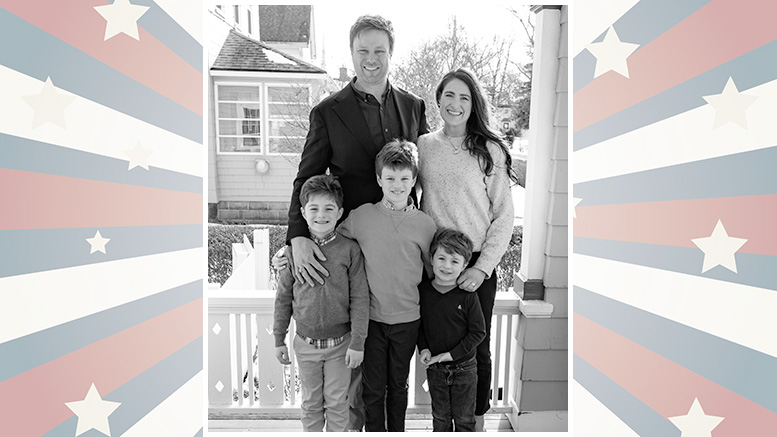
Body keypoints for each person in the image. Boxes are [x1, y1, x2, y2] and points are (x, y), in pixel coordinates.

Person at [285, 17, 428, 429]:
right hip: (350, 244)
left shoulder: (414, 107)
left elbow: (426, 174)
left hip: (399, 249)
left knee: (391, 366)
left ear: (390, 54)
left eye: (379, 51)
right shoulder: (328, 112)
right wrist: (296, 236)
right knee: (353, 372)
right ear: (352, 54)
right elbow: (305, 178)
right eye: (363, 51)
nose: (371, 60)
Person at [416, 68, 520, 431]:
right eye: (449, 95)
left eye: (464, 97)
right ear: (438, 99)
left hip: (475, 264)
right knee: (435, 338)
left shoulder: (489, 150)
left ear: (473, 103)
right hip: (435, 264)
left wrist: (483, 267)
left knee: (477, 343)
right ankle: (443, 419)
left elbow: (504, 215)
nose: (455, 104)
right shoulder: (425, 146)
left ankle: (475, 420)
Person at [337, 139, 437, 432]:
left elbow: (433, 274)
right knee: (373, 388)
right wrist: (290, 251)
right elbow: (333, 245)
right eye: (390, 178)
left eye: (404, 178)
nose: (397, 184)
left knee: (398, 386)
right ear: (379, 179)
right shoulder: (361, 217)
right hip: (371, 321)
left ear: (414, 181)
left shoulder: (425, 224)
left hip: (408, 320)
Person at [272, 175, 370, 432]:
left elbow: (360, 299)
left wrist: (357, 343)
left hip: (341, 345)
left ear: (339, 212)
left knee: (339, 404)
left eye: (328, 209)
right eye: (314, 209)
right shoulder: (294, 252)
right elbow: (283, 298)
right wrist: (278, 338)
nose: (321, 215)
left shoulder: (350, 250)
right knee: (311, 403)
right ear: (303, 213)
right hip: (305, 343)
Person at [418, 228, 486, 432]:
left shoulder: (467, 295)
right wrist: (424, 349)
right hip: (435, 369)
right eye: (441, 258)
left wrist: (450, 355)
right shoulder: (423, 292)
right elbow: (419, 326)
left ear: (465, 265)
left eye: (454, 261)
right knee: (440, 418)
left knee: (465, 419)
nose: (447, 266)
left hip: (464, 368)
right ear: (431, 259)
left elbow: (478, 332)